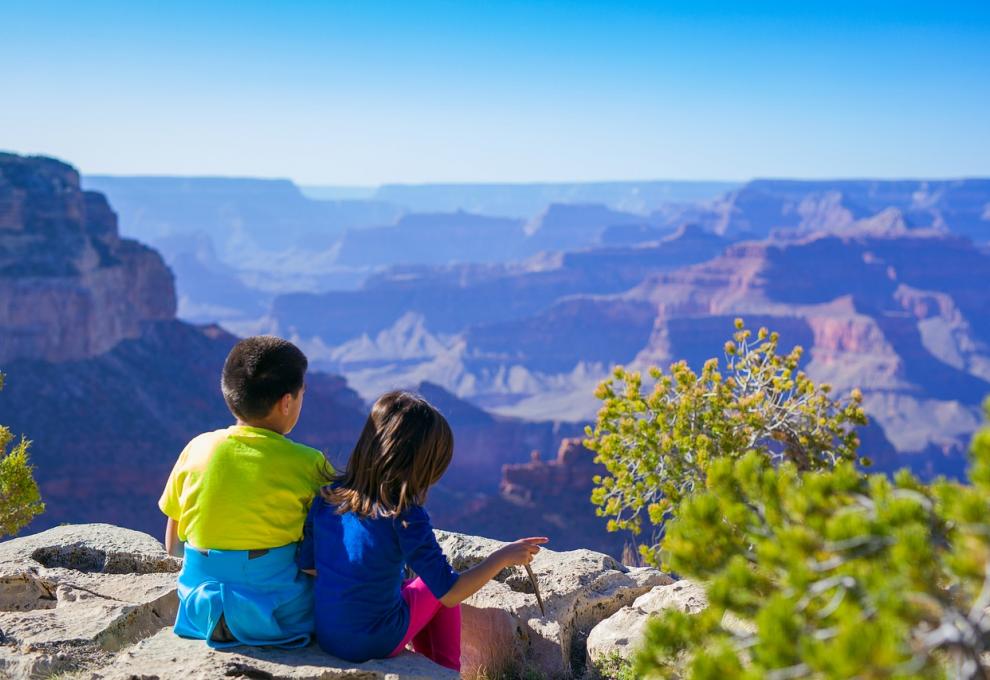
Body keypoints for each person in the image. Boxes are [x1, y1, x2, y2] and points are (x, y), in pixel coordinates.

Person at [300, 390, 547, 671]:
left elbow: (310, 567)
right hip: (373, 641)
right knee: (436, 585)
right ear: (421, 463)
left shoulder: (328, 496)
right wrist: (503, 556)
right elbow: (450, 592)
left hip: (329, 635)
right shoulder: (404, 515)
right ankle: (446, 671)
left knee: (414, 587)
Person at [158, 336, 330, 648]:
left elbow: (173, 543)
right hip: (278, 616)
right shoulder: (310, 463)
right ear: (287, 402)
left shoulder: (197, 448)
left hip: (200, 610)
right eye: (302, 394)